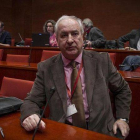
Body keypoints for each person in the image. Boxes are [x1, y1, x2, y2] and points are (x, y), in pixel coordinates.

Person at [21, 15, 131, 139]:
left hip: (101, 130)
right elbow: (31, 101)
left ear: (82, 36)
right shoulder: (46, 68)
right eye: (63, 35)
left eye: (74, 34)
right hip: (62, 131)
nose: (69, 40)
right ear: (56, 39)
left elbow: (123, 89)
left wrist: (122, 118)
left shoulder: (101, 61)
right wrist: (29, 114)